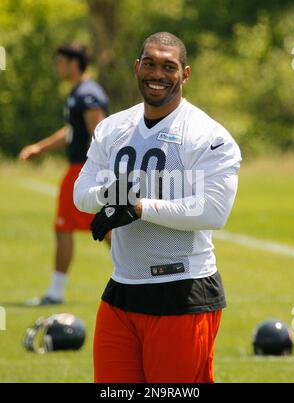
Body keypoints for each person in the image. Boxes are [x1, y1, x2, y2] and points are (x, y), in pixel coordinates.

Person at [74, 32, 241, 383]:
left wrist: (138, 207)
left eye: (169, 66)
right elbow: (82, 194)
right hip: (122, 288)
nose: (157, 74)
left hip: (183, 288)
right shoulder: (112, 128)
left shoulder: (207, 134)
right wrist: (112, 194)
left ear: (185, 73)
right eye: (149, 63)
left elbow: (213, 211)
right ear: (137, 67)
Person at [19, 42, 109, 306]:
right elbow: (72, 131)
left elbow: (99, 131)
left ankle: (56, 292)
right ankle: (138, 275)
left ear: (73, 62)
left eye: (60, 61)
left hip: (85, 170)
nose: (56, 66)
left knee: (93, 227)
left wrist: (100, 171)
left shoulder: (87, 93)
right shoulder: (78, 92)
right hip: (79, 169)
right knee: (93, 227)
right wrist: (40, 148)